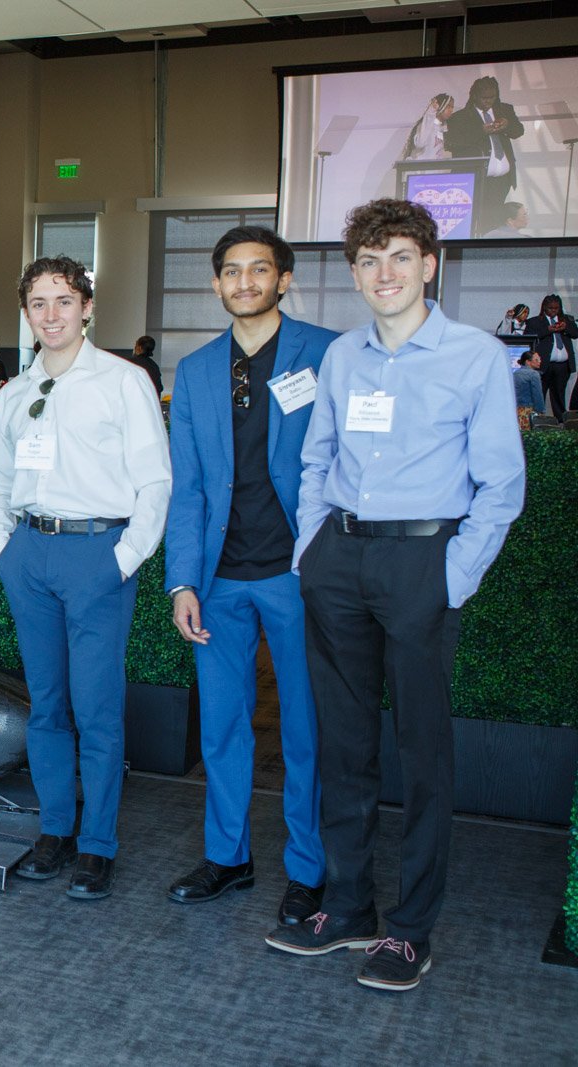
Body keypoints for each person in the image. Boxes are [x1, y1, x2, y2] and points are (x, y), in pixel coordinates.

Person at [265, 199, 524, 992]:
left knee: (421, 752)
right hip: (340, 558)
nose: (386, 274)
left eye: (401, 257)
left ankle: (411, 929)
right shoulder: (343, 356)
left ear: (430, 265)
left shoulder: (476, 356)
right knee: (344, 745)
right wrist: (312, 550)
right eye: (370, 260)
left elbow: (502, 485)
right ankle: (348, 907)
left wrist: (453, 575)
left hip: (423, 562)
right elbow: (317, 459)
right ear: (354, 273)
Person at [0, 255, 171, 901]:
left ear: (87, 307)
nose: (51, 314)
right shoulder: (13, 394)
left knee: (96, 709)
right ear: (26, 312)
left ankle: (97, 844)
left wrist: (124, 558)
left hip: (98, 555)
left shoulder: (124, 381)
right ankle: (55, 829)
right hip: (29, 554)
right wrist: (2, 549)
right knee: (47, 706)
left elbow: (155, 481)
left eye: (64, 300)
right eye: (39, 303)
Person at [164, 226, 338, 926]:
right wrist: (182, 581)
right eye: (232, 271)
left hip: (299, 572)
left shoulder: (326, 354)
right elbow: (187, 487)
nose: (245, 281)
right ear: (216, 284)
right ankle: (228, 856)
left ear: (283, 279)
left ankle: (309, 868)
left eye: (259, 269)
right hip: (219, 579)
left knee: (306, 729)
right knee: (223, 727)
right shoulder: (196, 369)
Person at [443, 76, 524, 227]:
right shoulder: (460, 117)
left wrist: (507, 125)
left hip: (502, 180)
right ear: (474, 96)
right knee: (472, 222)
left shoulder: (505, 110)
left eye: (492, 97)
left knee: (493, 223)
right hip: (476, 181)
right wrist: (481, 131)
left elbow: (518, 131)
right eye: (484, 98)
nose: (488, 101)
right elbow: (452, 143)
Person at [529, 294, 577, 420]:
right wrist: (548, 330)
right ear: (544, 307)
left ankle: (561, 421)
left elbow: (575, 333)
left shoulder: (566, 319)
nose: (553, 311)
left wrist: (565, 328)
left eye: (556, 308)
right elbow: (529, 336)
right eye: (551, 308)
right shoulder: (535, 321)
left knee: (559, 395)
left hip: (562, 365)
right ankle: (538, 419)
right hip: (543, 365)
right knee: (540, 393)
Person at [399, 93, 454, 161]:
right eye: (448, 106)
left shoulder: (443, 128)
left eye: (452, 107)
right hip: (420, 166)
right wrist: (430, 113)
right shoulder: (426, 124)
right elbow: (420, 143)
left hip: (434, 167)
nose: (451, 110)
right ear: (440, 106)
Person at [513, 350, 544, 426]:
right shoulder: (534, 374)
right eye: (536, 360)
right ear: (528, 362)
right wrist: (541, 410)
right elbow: (537, 395)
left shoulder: (515, 373)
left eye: (539, 359)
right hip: (528, 411)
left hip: (516, 410)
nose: (539, 361)